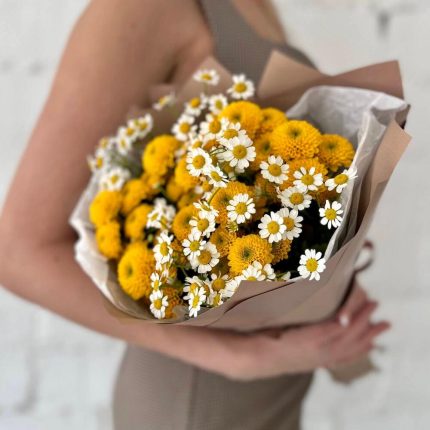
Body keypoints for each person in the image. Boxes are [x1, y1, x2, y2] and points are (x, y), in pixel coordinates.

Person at [0, 1, 390, 428]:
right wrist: (239, 357)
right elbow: (18, 253)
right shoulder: (140, 9)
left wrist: (326, 265)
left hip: (271, 382)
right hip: (198, 396)